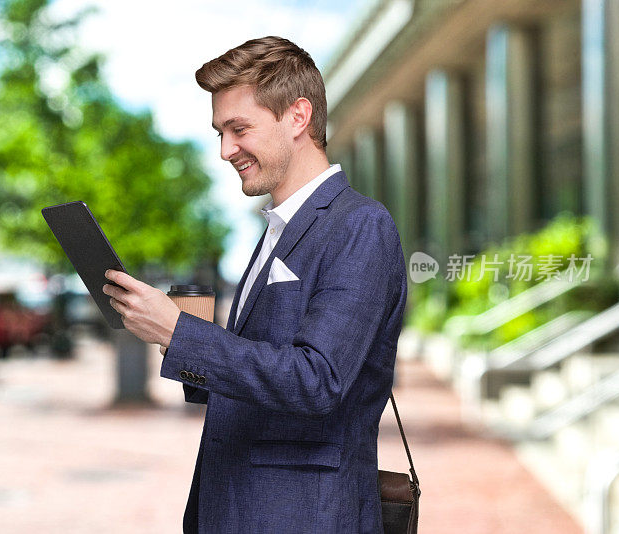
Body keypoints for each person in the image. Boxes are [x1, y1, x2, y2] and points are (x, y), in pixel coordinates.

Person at [102, 36, 407, 534]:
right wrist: (170, 338)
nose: (225, 150)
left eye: (239, 128)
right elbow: (256, 377)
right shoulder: (275, 232)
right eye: (220, 132)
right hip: (233, 508)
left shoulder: (360, 225)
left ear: (298, 117)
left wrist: (183, 333)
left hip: (302, 516)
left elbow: (317, 380)